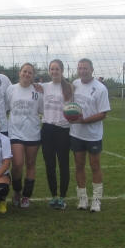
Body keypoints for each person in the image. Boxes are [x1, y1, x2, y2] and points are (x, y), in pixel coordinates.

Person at [71, 58, 111, 213]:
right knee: (79, 165)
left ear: (92, 70)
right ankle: (82, 198)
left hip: (93, 135)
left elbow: (103, 114)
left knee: (95, 166)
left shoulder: (101, 88)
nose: (82, 71)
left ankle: (96, 200)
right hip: (76, 133)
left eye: (85, 68)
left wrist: (84, 120)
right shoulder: (75, 84)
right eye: (80, 68)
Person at [6, 63, 43, 208]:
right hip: (15, 132)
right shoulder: (11, 89)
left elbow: (42, 110)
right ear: (20, 73)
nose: (27, 74)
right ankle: (17, 191)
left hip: (33, 133)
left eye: (30, 72)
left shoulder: (38, 91)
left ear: (33, 76)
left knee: (31, 164)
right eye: (24, 71)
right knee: (17, 164)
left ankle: (26, 196)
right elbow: (5, 107)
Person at [41, 59, 72, 210]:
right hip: (47, 129)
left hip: (63, 130)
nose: (54, 71)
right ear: (49, 71)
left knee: (63, 164)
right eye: (52, 69)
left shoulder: (69, 88)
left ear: (62, 71)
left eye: (57, 69)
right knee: (50, 164)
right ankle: (53, 196)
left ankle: (62, 197)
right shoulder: (44, 87)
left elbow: (74, 107)